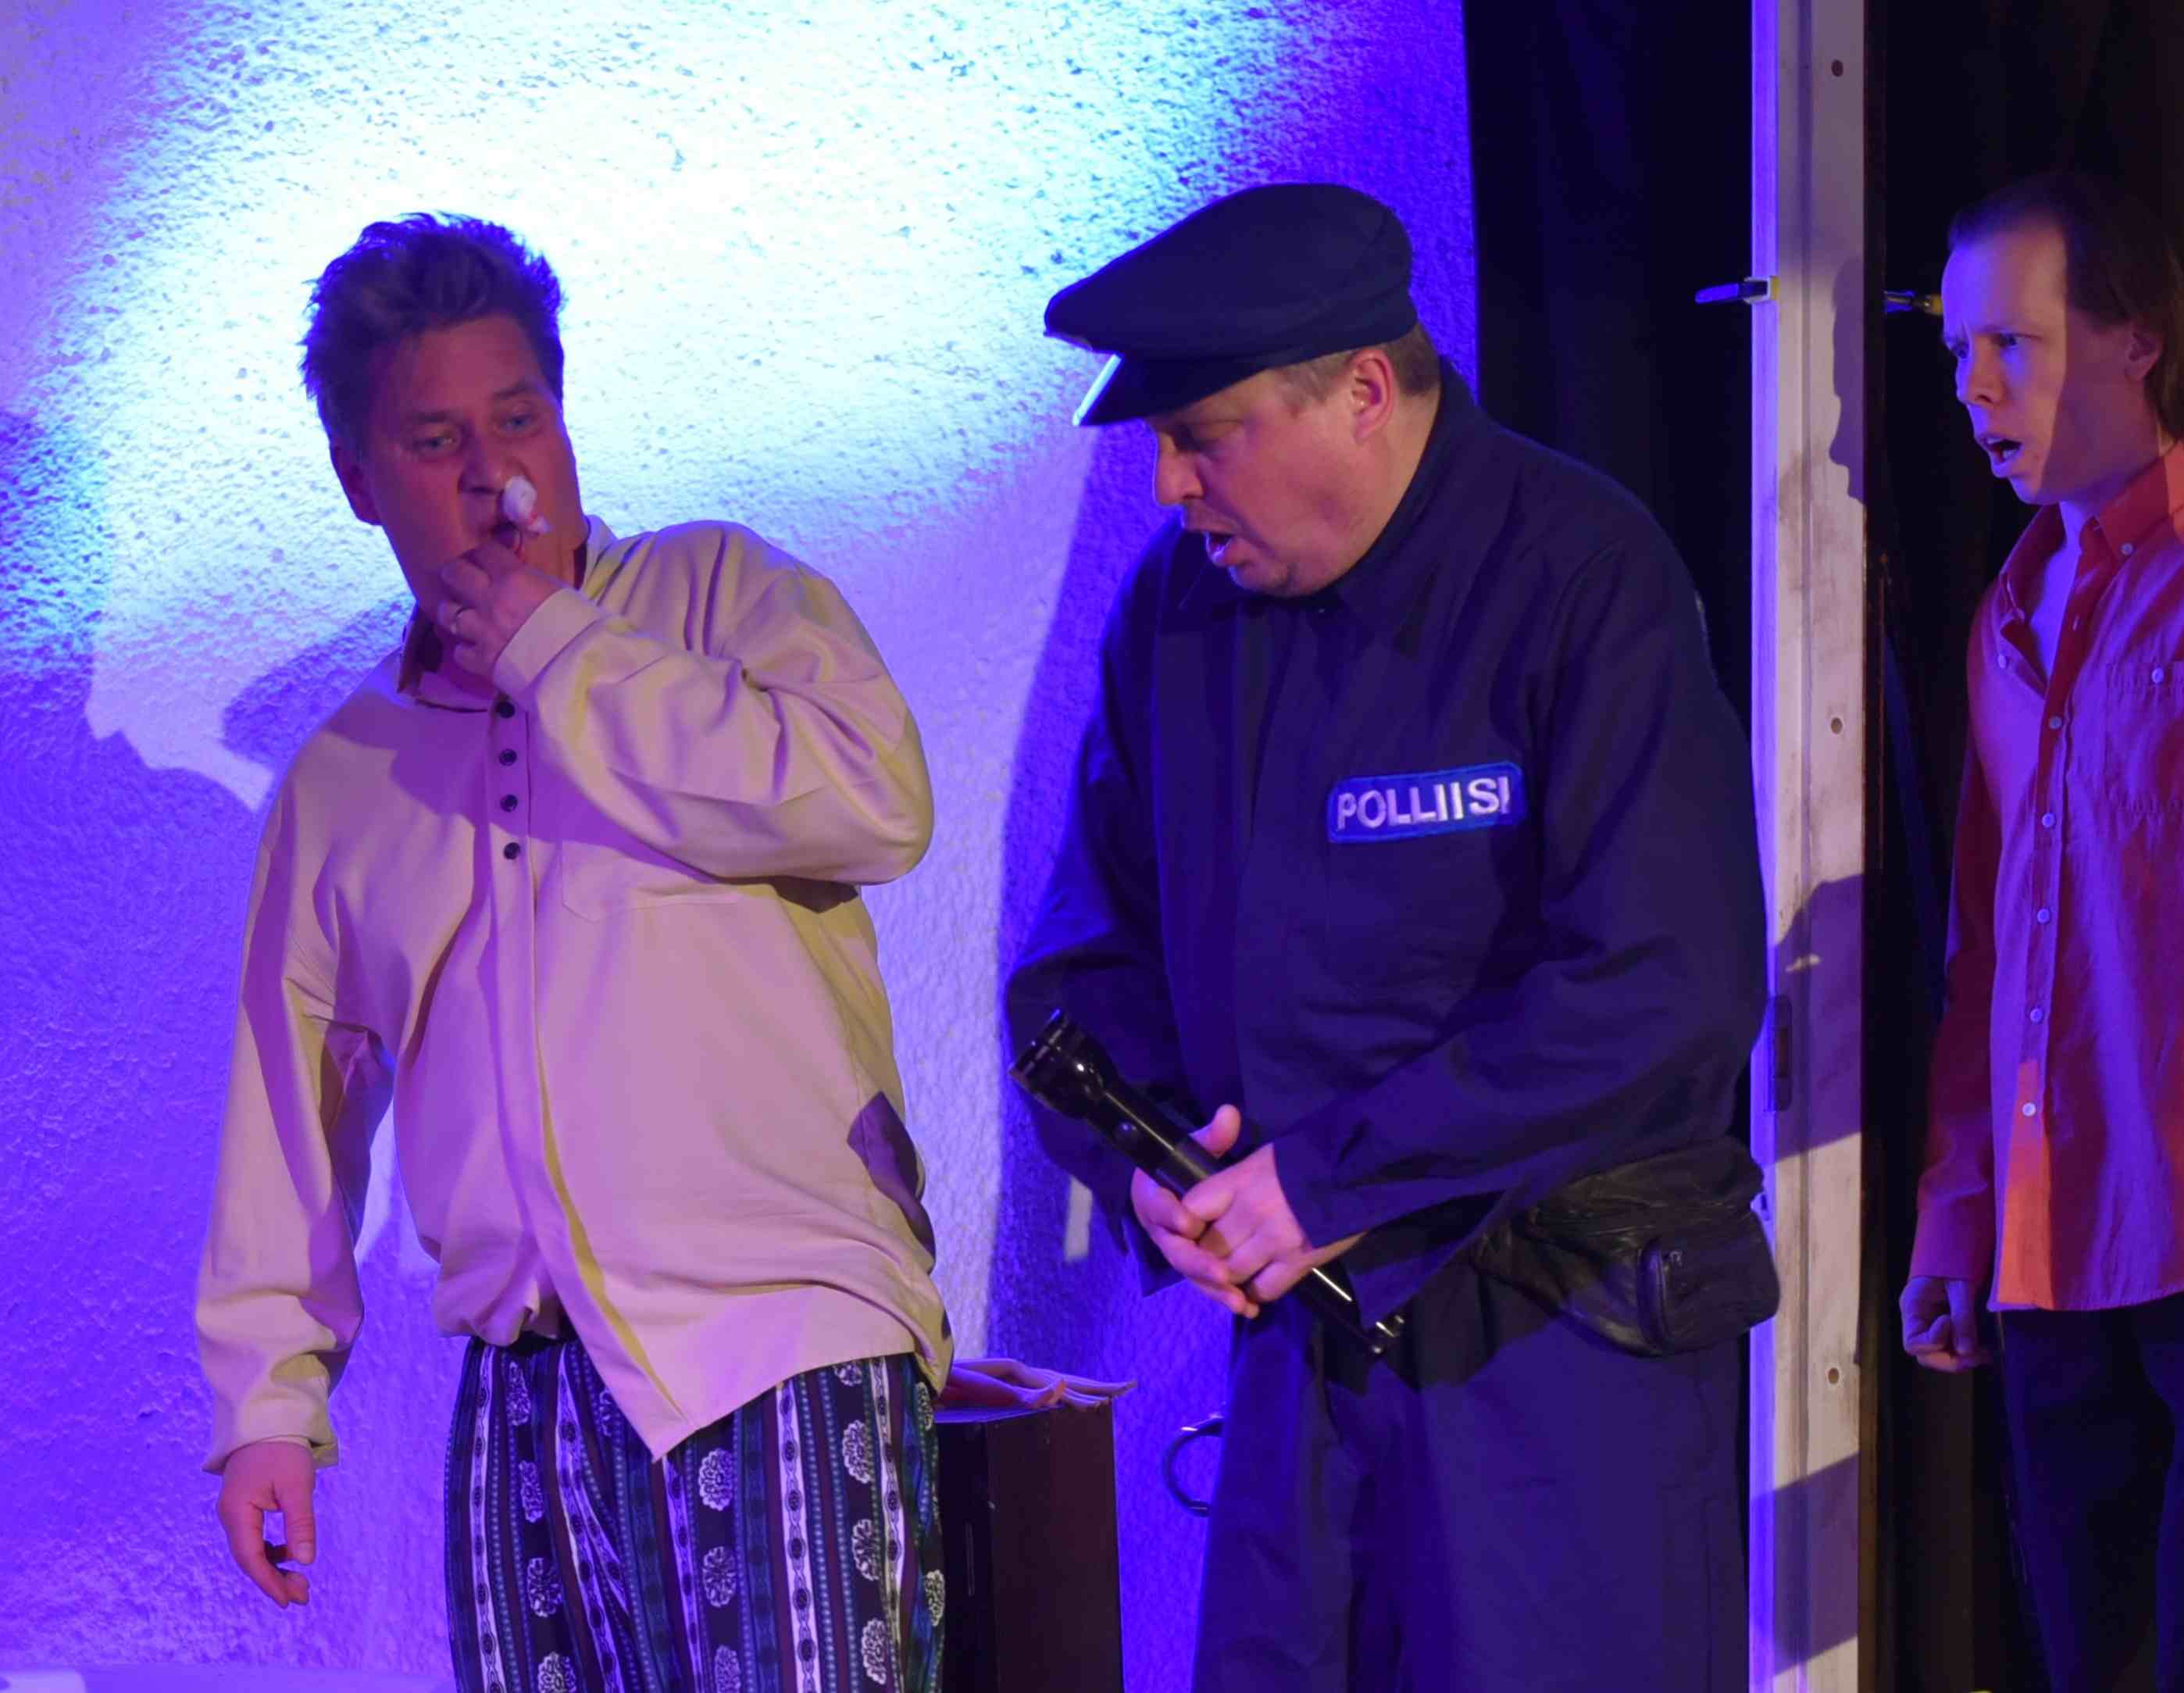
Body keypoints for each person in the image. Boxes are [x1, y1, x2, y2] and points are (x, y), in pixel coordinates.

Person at [195, 213, 1127, 1692]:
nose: (493, 472)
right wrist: (268, 1407)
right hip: (529, 1385)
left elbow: (875, 803)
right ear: (359, 480)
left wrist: (560, 649)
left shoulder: (720, 600)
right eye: (434, 441)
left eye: (520, 418)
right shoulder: (346, 777)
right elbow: (291, 1110)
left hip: (782, 1334)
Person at [1005, 183, 1768, 1692]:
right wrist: (1157, 1169)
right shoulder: (1177, 615)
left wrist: (1330, 1176)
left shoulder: (1578, 571)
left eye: (1204, 434)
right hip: (1306, 1360)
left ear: (1361, 390)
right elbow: (1082, 966)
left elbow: (1670, 980)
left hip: (1556, 1345)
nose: (1167, 484)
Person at [1901, 172, 2184, 1692]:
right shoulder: (2004, 616)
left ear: (2134, 339)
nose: (1972, 386)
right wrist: (1957, 1209)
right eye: (1954, 350)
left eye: (2008, 342)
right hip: (2047, 1243)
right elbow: (1987, 946)